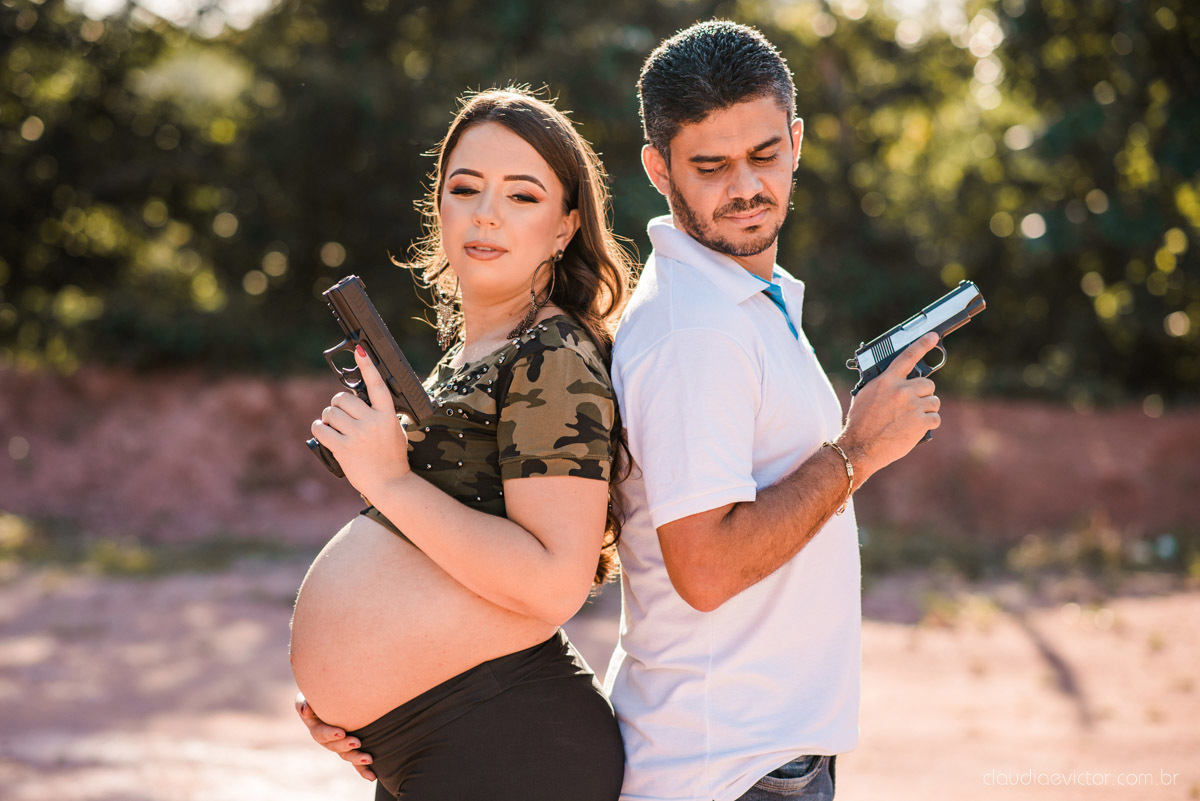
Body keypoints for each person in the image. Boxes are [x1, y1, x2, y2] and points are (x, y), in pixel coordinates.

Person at [602, 21, 944, 801]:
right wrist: (857, 452)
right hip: (725, 775)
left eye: (763, 156)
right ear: (659, 168)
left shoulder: (745, 298)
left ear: (796, 141)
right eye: (711, 166)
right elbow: (707, 567)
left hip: (751, 763)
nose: (746, 188)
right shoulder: (695, 328)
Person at [290, 86, 634, 800]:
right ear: (438, 204)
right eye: (466, 187)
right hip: (437, 741)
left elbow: (553, 582)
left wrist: (390, 481)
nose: (486, 213)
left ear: (566, 226)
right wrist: (357, 706)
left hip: (510, 742)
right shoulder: (469, 353)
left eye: (523, 196)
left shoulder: (552, 352)